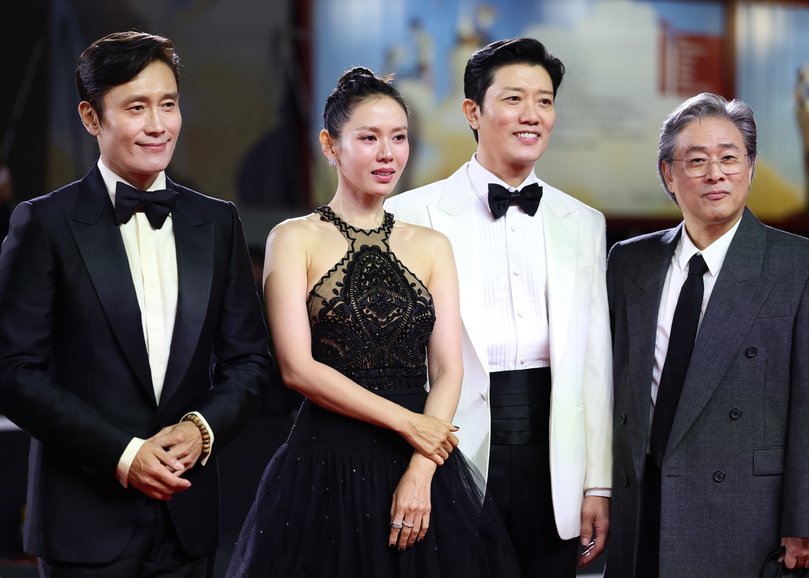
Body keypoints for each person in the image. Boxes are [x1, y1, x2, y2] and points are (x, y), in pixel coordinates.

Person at [225, 67, 520, 578]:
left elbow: (450, 369)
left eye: (399, 138)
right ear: (330, 145)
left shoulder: (431, 245)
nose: (388, 154)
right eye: (369, 138)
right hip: (326, 464)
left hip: (420, 463)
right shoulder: (294, 238)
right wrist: (412, 425)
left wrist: (423, 469)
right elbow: (296, 369)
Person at [0, 31, 271, 577]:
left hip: (189, 518)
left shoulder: (216, 222)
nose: (158, 125)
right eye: (136, 107)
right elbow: (12, 372)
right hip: (83, 521)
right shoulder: (45, 223)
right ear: (90, 117)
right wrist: (124, 454)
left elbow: (249, 361)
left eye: (168, 105)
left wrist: (202, 428)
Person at [385, 37, 612, 577]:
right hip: (447, 447)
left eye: (545, 100)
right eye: (513, 99)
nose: (532, 114)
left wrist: (596, 483)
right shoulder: (408, 214)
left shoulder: (583, 222)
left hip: (553, 452)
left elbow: (594, 364)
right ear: (472, 111)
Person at [605, 92, 809, 577]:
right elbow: (611, 388)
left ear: (751, 167)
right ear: (668, 175)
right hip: (642, 501)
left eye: (729, 157)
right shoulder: (629, 261)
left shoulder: (796, 264)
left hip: (745, 507)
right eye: (696, 161)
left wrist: (802, 519)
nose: (715, 174)